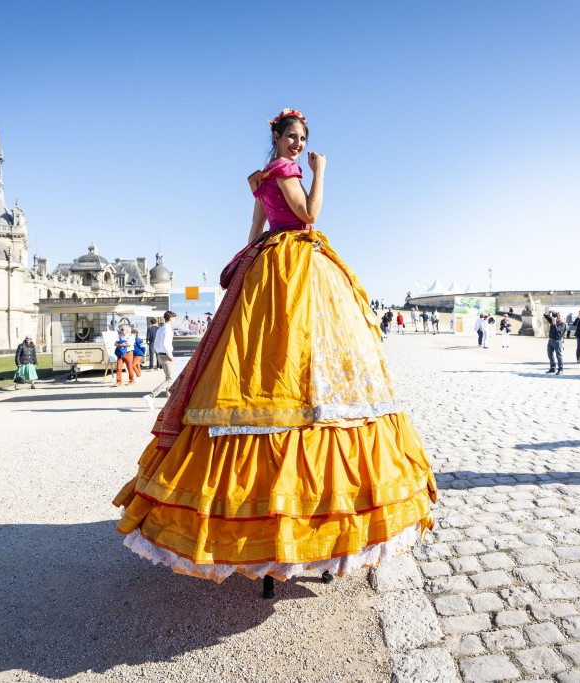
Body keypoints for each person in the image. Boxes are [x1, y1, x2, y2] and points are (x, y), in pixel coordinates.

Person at [113, 108, 436, 600]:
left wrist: (246, 261)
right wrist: (322, 173)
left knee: (278, 365)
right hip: (292, 270)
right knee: (293, 368)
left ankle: (291, 540)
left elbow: (256, 226)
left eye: (303, 140)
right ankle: (306, 537)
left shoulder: (262, 176)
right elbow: (307, 215)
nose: (297, 146)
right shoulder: (287, 173)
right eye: (292, 138)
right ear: (278, 139)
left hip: (269, 264)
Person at [144, 311, 177, 409]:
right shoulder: (168, 329)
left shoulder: (160, 329)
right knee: (170, 379)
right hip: (166, 355)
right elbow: (166, 344)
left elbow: (155, 343)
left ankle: (169, 401)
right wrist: (170, 355)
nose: (174, 320)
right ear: (171, 318)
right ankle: (152, 395)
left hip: (160, 355)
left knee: (168, 378)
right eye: (174, 318)